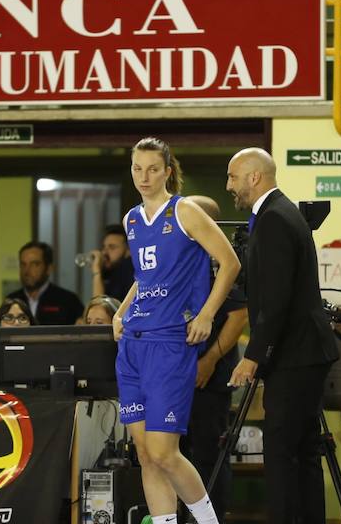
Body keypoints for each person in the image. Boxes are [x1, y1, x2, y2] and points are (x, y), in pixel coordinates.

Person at [112, 137, 239, 524]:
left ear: (168, 171)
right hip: (132, 343)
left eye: (153, 168)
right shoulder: (131, 219)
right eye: (137, 168)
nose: (144, 176)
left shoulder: (184, 211)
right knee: (145, 453)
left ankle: (208, 521)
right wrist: (121, 310)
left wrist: (205, 315)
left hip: (169, 343)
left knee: (166, 452)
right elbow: (145, 277)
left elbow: (230, 263)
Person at [225, 148, 339, 524]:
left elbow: (275, 300)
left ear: (254, 177)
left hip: (295, 356)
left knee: (283, 454)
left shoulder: (274, 219)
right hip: (304, 353)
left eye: (233, 177)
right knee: (302, 453)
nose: (230, 186)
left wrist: (254, 355)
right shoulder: (283, 213)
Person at [180, 195, 248, 524]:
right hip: (173, 375)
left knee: (209, 457)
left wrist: (208, 361)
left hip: (209, 377)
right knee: (173, 456)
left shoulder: (222, 261)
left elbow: (239, 316)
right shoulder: (178, 259)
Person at [7, 241, 83, 326]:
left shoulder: (68, 301)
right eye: (23, 264)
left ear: (49, 268)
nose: (27, 270)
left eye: (35, 264)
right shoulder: (11, 300)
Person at [89, 224, 135, 302]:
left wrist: (97, 272)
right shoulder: (113, 272)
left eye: (112, 247)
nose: (104, 252)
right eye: (104, 247)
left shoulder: (127, 269)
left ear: (129, 250)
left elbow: (99, 307)